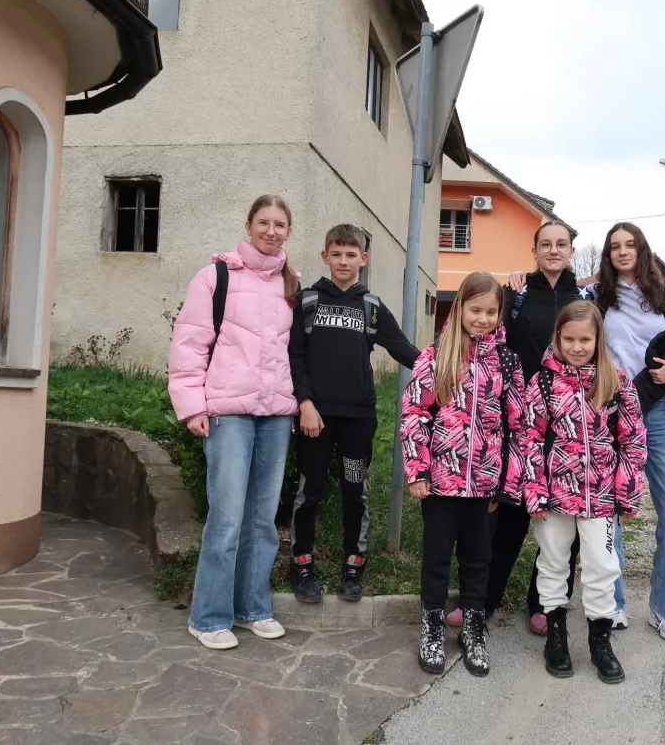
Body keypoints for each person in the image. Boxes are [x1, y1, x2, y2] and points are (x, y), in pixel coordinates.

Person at [169, 195, 300, 650]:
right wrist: (192, 406)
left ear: (288, 231)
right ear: (248, 226)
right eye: (263, 222)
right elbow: (190, 344)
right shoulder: (215, 277)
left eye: (280, 224)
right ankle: (208, 617)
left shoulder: (291, 284)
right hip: (228, 412)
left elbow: (296, 353)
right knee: (226, 518)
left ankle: (252, 608)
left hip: (276, 416)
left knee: (263, 520)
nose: (271, 230)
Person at [451, 221, 586, 637]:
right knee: (508, 516)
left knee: (563, 515)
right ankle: (484, 600)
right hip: (518, 418)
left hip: (565, 422)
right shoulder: (516, 292)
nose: (553, 250)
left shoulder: (584, 296)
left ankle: (546, 603)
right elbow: (491, 338)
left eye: (561, 244)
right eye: (545, 244)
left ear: (571, 252)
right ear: (534, 249)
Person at [581, 221, 665, 643]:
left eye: (629, 245)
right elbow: (570, 334)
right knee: (609, 513)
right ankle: (613, 603)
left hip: (661, 412)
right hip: (611, 412)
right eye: (614, 246)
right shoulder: (597, 298)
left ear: (642, 250)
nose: (622, 252)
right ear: (607, 255)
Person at [400, 272, 526, 677]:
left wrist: (510, 481)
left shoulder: (507, 362)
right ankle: (433, 627)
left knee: (478, 558)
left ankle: (473, 626)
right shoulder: (437, 354)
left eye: (491, 311)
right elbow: (414, 414)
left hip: (485, 484)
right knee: (437, 557)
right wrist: (417, 469)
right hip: (440, 481)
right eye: (475, 310)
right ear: (459, 309)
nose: (483, 318)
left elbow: (518, 424)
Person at [288, 224, 419, 603]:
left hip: (358, 420)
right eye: (336, 253)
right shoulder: (308, 301)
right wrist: (306, 403)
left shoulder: (370, 306)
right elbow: (295, 356)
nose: (343, 261)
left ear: (363, 259)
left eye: (351, 255)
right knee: (309, 490)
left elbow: (401, 347)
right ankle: (301, 562)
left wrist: (444, 363)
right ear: (324, 256)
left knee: (354, 491)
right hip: (316, 419)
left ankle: (353, 565)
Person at [523, 302, 647, 682]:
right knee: (553, 560)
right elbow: (529, 438)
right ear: (558, 337)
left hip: (601, 496)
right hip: (555, 494)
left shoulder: (616, 382)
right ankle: (556, 637)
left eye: (585, 340)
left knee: (601, 565)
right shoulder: (543, 383)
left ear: (598, 340)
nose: (577, 347)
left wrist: (626, 492)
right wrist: (535, 491)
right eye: (570, 339)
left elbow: (633, 440)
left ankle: (600, 641)